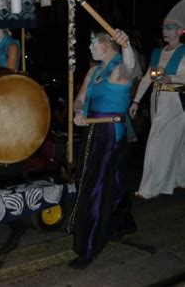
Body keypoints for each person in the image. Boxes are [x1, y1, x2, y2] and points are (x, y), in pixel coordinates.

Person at [67, 28, 137, 269]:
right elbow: (79, 99)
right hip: (92, 131)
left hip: (110, 133)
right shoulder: (93, 71)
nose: (89, 48)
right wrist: (78, 112)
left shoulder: (119, 69)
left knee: (96, 187)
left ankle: (88, 248)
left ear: (107, 45)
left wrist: (126, 44)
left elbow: (130, 66)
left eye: (92, 43)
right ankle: (124, 222)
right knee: (114, 182)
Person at [129, 0, 185, 199]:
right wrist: (136, 101)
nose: (166, 31)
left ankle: (149, 188)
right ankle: (178, 178)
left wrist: (173, 78)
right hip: (156, 100)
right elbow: (146, 78)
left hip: (174, 102)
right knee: (173, 142)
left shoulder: (184, 52)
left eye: (170, 28)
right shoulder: (156, 52)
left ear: (180, 31)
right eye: (164, 28)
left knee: (156, 143)